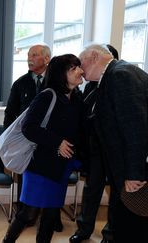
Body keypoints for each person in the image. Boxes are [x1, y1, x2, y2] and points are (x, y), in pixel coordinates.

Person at [2, 54, 84, 243]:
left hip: (61, 167)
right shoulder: (47, 95)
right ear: (61, 74)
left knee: (51, 214)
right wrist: (57, 142)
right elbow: (29, 127)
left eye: (79, 67)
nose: (80, 71)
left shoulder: (77, 98)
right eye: (74, 69)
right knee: (29, 213)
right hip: (40, 165)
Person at [78, 44, 148, 243]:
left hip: (132, 173)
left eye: (81, 62)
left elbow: (135, 127)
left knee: (131, 228)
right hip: (124, 168)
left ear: (93, 57)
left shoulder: (120, 76)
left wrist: (134, 174)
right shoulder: (114, 75)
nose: (80, 69)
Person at [4, 44, 66, 231]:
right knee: (27, 179)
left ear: (47, 59)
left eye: (35, 55)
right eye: (29, 55)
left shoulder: (57, 84)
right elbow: (10, 113)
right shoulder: (20, 83)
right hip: (27, 141)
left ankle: (52, 216)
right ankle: (25, 215)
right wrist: (8, 139)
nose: (30, 58)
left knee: (52, 178)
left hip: (51, 142)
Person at [69, 44, 119, 243]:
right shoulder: (91, 85)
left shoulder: (117, 80)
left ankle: (110, 233)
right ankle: (84, 229)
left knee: (115, 192)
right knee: (92, 189)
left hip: (114, 147)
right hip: (95, 145)